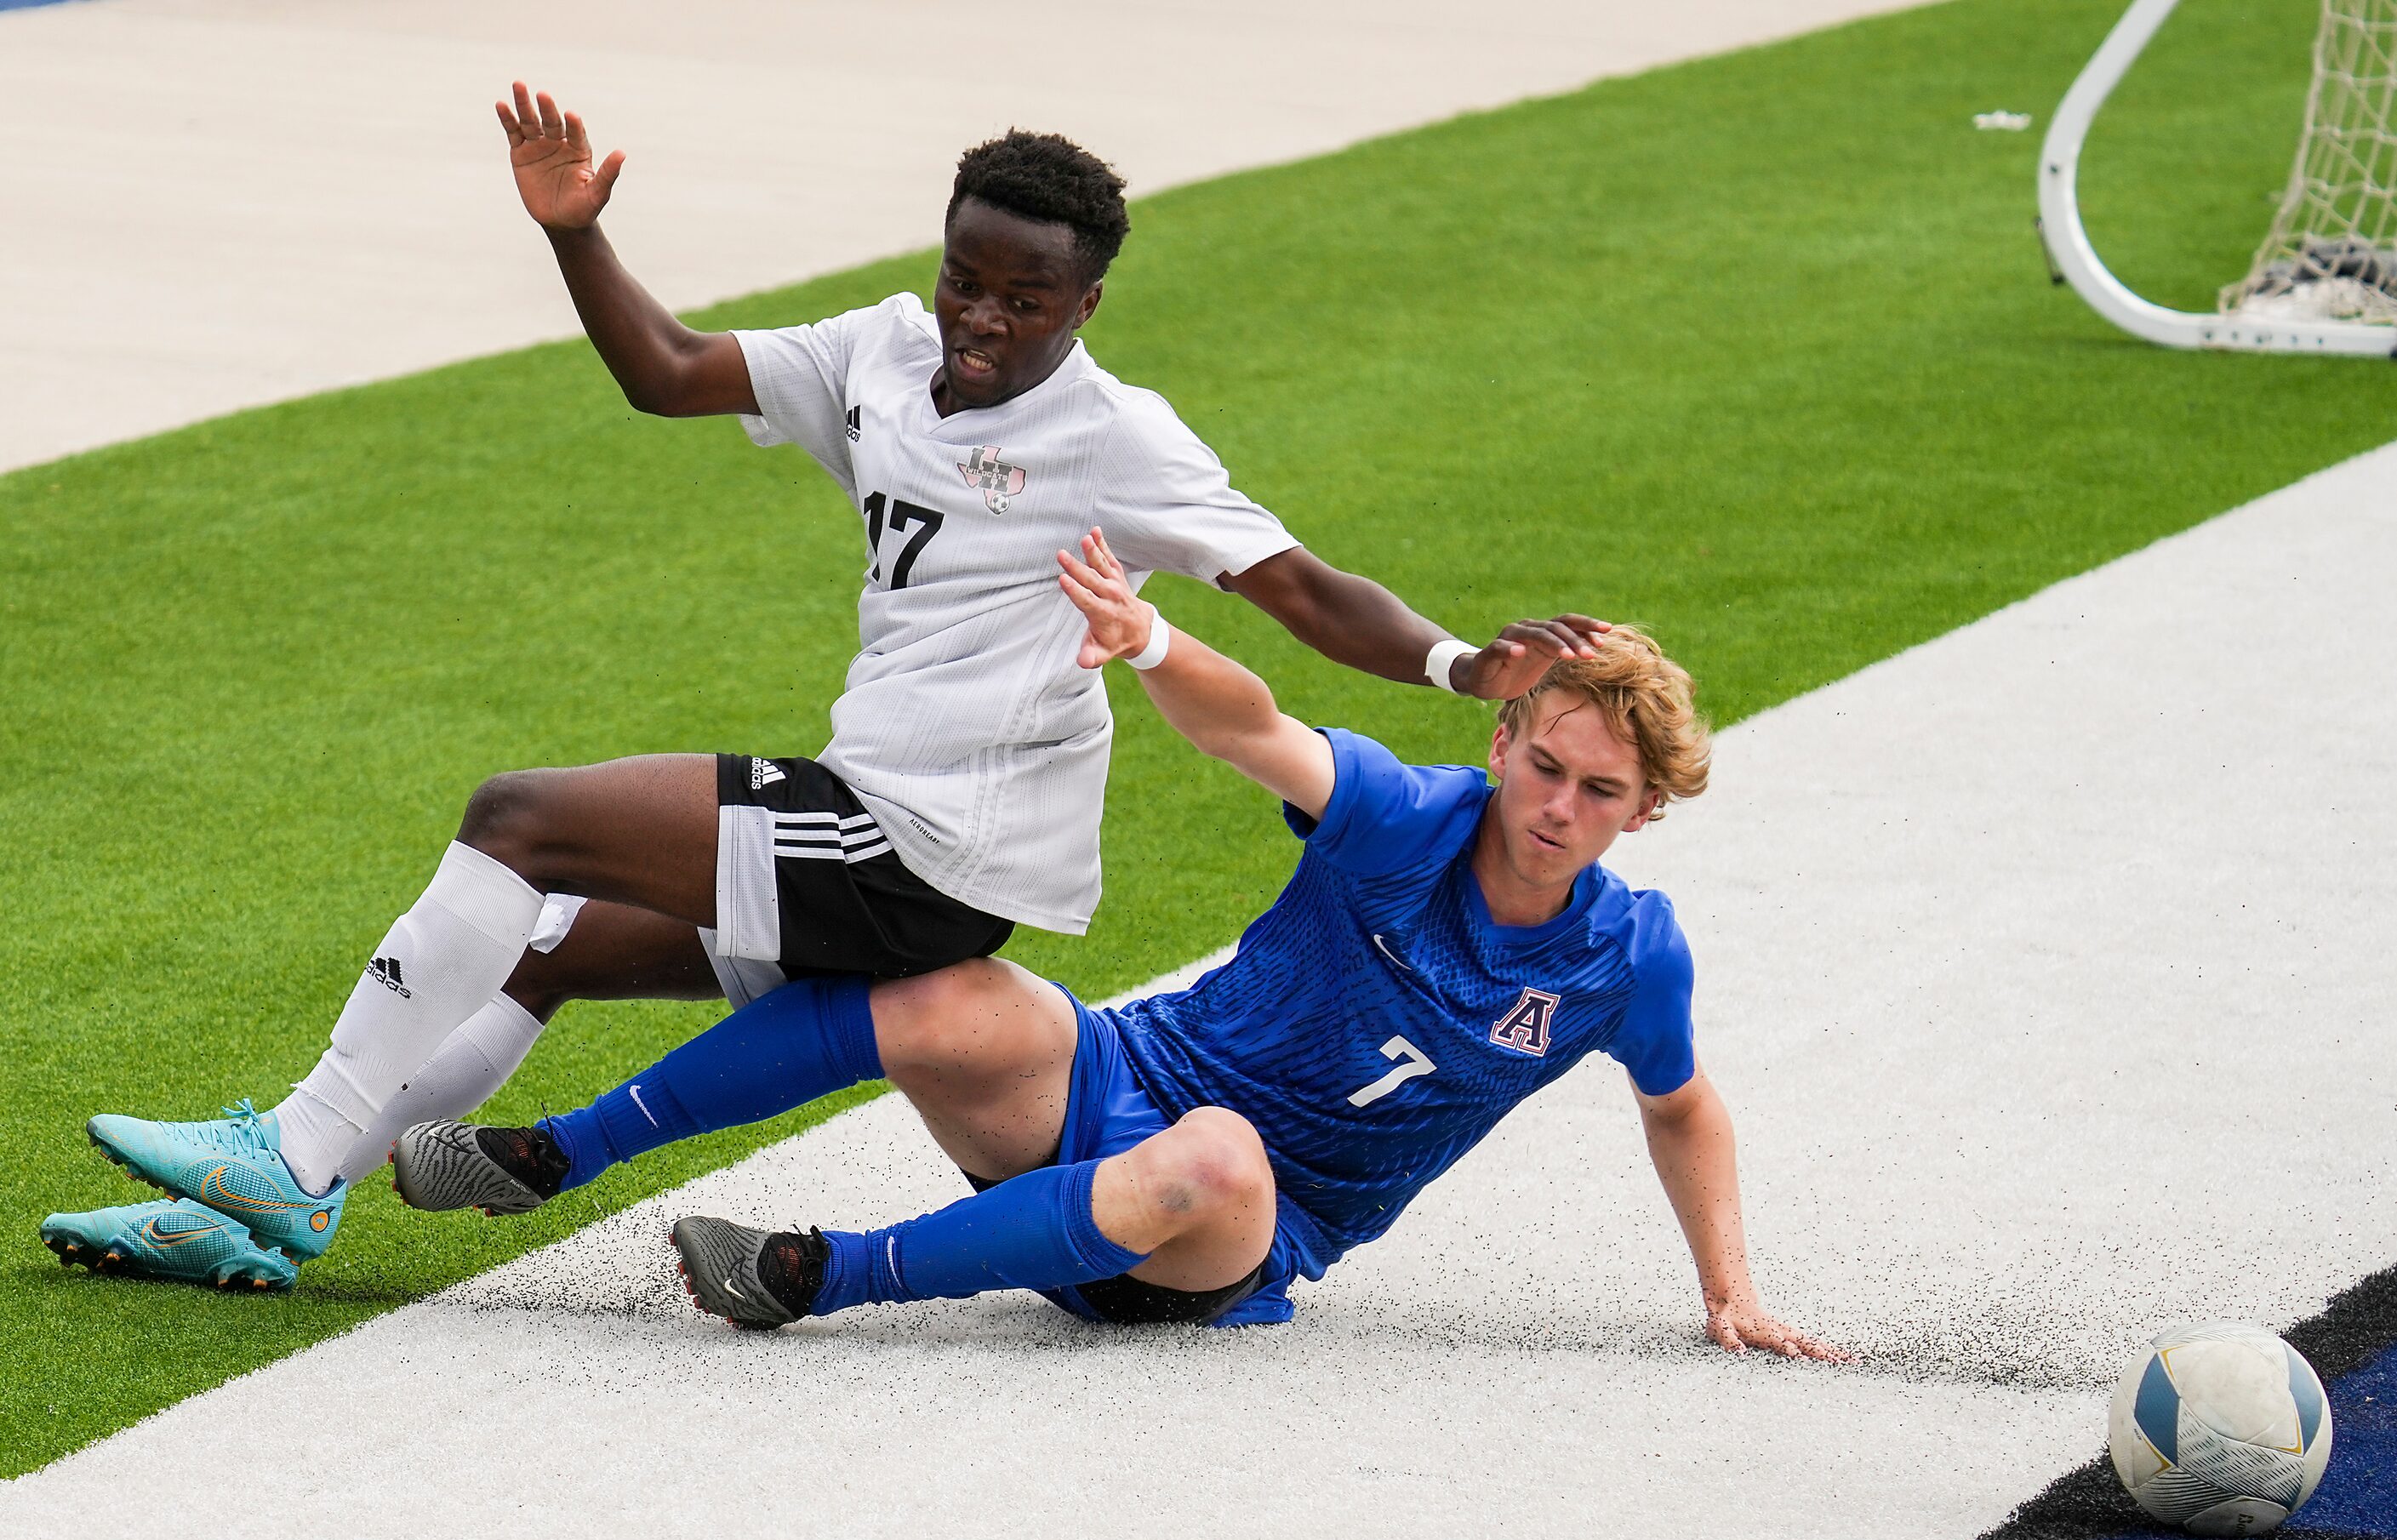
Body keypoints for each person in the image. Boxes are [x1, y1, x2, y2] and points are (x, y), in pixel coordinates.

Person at [43, 88, 1607, 1289]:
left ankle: (295, 1154)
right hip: (867, 811)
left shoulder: (1117, 436)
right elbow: (665, 372)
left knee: (520, 820)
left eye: (1027, 302)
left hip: (931, 848)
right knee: (549, 944)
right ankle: (265, 1222)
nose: (984, 325)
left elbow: (1299, 585)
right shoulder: (877, 347)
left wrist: (1460, 660)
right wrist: (573, 230)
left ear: (1086, 308)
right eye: (966, 281)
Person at [389, 532, 1841, 1359]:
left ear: (1644, 809)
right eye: (1545, 766)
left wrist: (1726, 1285)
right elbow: (1259, 728)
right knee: (948, 986)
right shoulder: (1412, 817)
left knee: (1218, 1152)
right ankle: (551, 1155)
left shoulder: (1624, 956)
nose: (1556, 808)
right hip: (1117, 1078)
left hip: (1227, 1227)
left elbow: (1681, 1102)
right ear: (1503, 736)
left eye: (1599, 792)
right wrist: (1149, 643)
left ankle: (820, 1273)